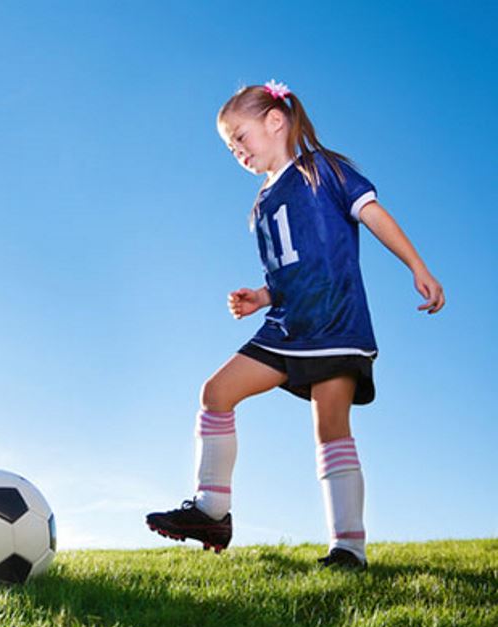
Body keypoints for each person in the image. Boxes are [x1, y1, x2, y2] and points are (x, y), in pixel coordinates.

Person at [146, 80, 444, 569]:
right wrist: (261, 296)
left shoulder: (322, 170)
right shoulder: (261, 205)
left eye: (240, 137)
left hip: (334, 323)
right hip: (287, 325)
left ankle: (348, 548)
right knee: (216, 393)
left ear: (274, 121)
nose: (237, 151)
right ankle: (211, 512)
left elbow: (373, 215)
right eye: (230, 147)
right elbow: (288, 269)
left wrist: (417, 266)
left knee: (331, 428)